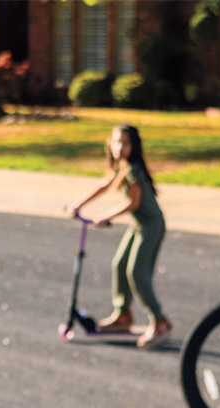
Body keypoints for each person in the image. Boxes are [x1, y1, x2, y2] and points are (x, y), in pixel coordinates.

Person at [68, 124, 172, 348]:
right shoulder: (121, 167)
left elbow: (132, 203)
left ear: (134, 147)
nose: (119, 148)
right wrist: (78, 205)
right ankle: (123, 315)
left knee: (137, 273)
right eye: (116, 142)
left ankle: (160, 320)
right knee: (119, 264)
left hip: (151, 225)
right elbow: (103, 185)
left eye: (125, 143)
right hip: (139, 224)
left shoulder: (134, 169)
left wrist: (105, 216)